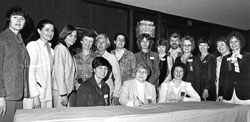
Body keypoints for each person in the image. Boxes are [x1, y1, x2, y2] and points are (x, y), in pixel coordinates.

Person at [0, 7, 30, 121]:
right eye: (15, 17)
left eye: (22, 18)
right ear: (9, 20)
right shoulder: (3, 39)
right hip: (6, 95)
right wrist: (0, 96)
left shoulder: (19, 40)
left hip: (17, 94)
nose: (18, 21)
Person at [23, 19, 54, 109]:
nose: (50, 33)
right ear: (39, 31)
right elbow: (30, 73)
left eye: (52, 30)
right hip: (36, 95)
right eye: (47, 30)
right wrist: (35, 96)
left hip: (47, 95)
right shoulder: (33, 46)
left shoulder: (51, 51)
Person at [218, 31, 250, 105]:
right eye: (231, 42)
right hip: (228, 94)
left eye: (236, 41)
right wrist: (221, 94)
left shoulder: (248, 56)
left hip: (245, 93)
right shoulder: (225, 58)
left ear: (240, 42)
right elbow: (222, 78)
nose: (233, 44)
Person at [53, 25, 77, 108]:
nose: (73, 38)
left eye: (75, 36)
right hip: (61, 92)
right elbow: (59, 73)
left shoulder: (67, 49)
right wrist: (63, 95)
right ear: (64, 35)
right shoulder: (60, 48)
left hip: (67, 91)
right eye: (70, 35)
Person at [95, 34, 121, 105]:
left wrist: (116, 94)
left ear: (107, 44)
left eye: (103, 42)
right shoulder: (93, 56)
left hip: (108, 86)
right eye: (98, 42)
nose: (100, 44)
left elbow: (117, 76)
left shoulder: (111, 57)